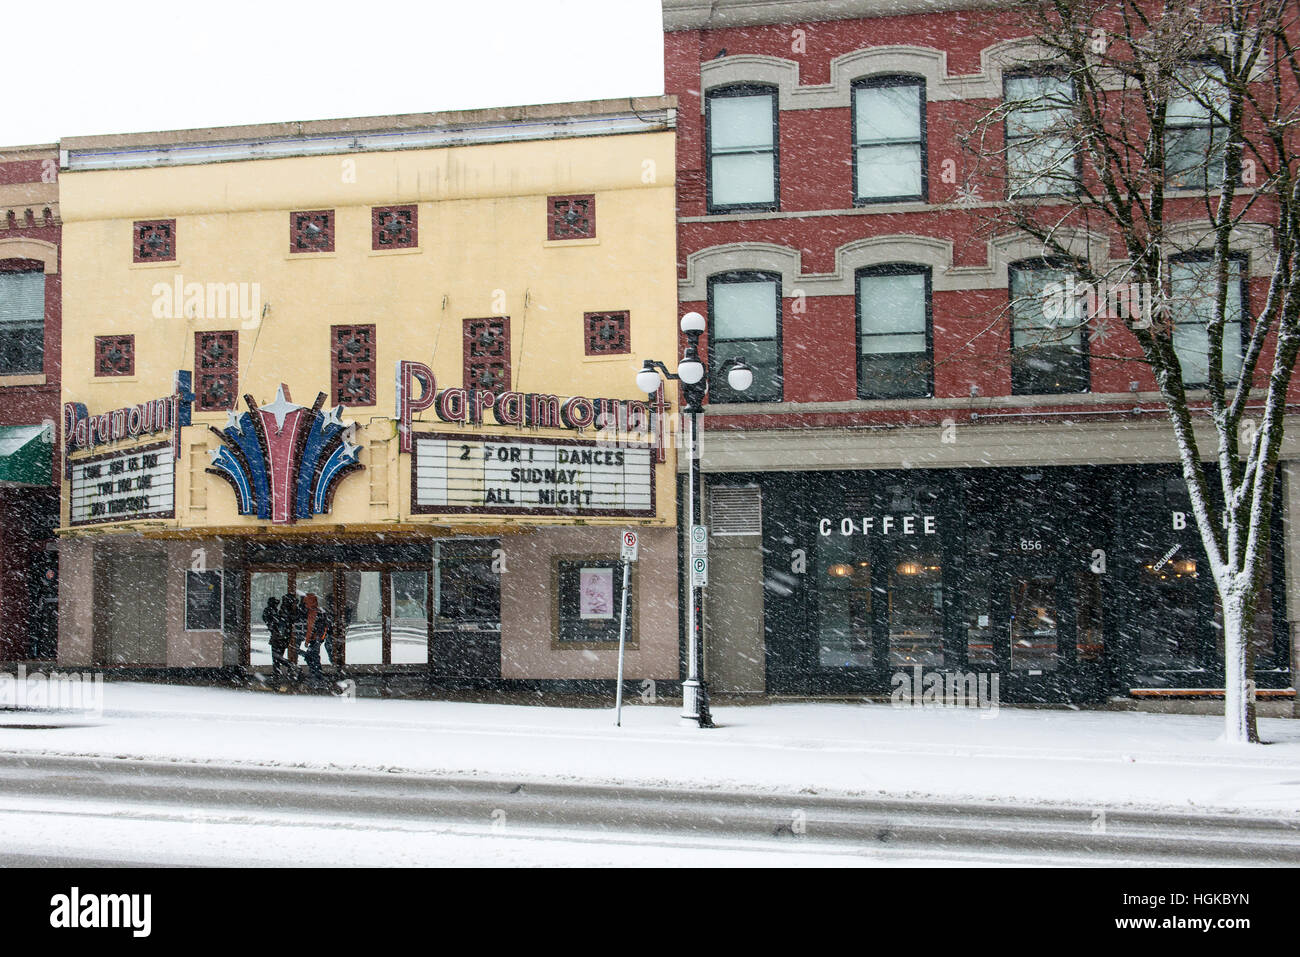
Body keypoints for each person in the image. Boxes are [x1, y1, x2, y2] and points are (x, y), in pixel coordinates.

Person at [300, 593, 330, 683]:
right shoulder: (318, 612)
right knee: (313, 656)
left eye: (306, 602)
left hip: (315, 639)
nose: (305, 605)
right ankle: (317, 674)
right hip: (317, 639)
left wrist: (308, 640)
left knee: (311, 656)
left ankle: (317, 674)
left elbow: (311, 628)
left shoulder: (313, 613)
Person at [262, 597, 287, 679]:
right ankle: (278, 671)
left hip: (277, 637)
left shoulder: (272, 612)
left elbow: (269, 622)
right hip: (281, 637)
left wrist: (272, 628)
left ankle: (278, 671)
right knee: (278, 656)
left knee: (276, 657)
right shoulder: (278, 612)